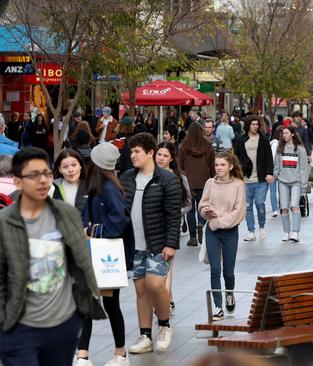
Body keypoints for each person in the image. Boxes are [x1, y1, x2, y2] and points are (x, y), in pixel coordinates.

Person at [0, 147, 105, 366]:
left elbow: (81, 262)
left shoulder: (66, 214)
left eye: (46, 173)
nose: (42, 180)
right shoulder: (4, 222)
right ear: (18, 182)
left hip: (61, 326)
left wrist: (80, 310)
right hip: (20, 327)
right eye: (33, 175)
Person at [120, 132, 181, 354]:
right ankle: (145, 335)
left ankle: (164, 325)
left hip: (158, 244)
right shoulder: (126, 177)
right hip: (134, 245)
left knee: (156, 285)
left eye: (137, 151)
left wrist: (171, 243)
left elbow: (174, 214)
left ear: (150, 153)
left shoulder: (166, 179)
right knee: (141, 290)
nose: (132, 155)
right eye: (131, 151)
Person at [76, 143, 131, 366]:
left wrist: (91, 230)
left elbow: (119, 221)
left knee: (109, 305)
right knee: (89, 303)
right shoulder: (103, 186)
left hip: (105, 254)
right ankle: (83, 355)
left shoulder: (108, 189)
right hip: (98, 254)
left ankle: (120, 353)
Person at [198, 152, 246, 320]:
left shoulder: (239, 184)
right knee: (215, 270)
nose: (218, 168)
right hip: (212, 232)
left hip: (230, 232)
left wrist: (217, 222)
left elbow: (238, 212)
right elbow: (202, 204)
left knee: (228, 272)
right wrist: (205, 211)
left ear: (230, 167)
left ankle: (229, 293)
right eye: (217, 165)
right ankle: (218, 307)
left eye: (222, 165)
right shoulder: (210, 183)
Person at [156, 142, 192, 314]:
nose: (161, 159)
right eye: (159, 155)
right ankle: (167, 298)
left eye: (165, 156)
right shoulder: (149, 175)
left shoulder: (179, 177)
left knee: (167, 264)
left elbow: (188, 203)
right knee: (157, 265)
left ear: (172, 158)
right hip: (152, 225)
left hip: (171, 225)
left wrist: (175, 212)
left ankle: (165, 302)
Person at [234, 116, 274, 241]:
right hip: (246, 178)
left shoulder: (263, 139)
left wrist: (269, 173)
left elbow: (269, 158)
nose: (255, 126)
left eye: (257, 124)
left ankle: (262, 226)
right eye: (252, 124)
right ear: (248, 126)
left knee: (260, 203)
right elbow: (236, 157)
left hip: (261, 178)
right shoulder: (241, 140)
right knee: (248, 206)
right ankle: (251, 231)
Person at [178, 122, 216, 247]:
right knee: (203, 207)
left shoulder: (184, 146)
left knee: (190, 210)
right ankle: (201, 223)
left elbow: (180, 165)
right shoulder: (208, 145)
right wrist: (213, 179)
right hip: (204, 181)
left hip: (188, 182)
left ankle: (193, 236)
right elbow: (212, 165)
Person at [274, 126, 309, 242]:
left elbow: (304, 168)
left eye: (287, 133)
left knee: (294, 206)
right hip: (283, 181)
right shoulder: (280, 149)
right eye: (283, 133)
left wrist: (303, 185)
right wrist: (275, 176)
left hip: (296, 182)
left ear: (293, 134)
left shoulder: (300, 149)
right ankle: (286, 232)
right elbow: (277, 166)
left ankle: (295, 232)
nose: (284, 135)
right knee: (284, 207)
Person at [51, 149, 87, 213]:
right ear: (60, 169)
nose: (70, 170)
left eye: (74, 165)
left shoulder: (90, 185)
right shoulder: (52, 188)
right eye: (65, 167)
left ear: (80, 165)